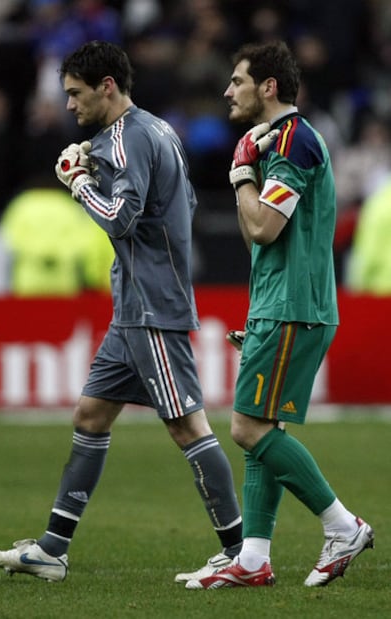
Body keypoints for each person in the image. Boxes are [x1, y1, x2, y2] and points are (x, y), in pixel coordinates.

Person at [0, 40, 242, 582]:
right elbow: (178, 203)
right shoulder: (157, 129)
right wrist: (92, 169)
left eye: (76, 94)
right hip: (134, 307)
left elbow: (122, 219)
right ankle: (53, 549)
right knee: (91, 416)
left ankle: (241, 553)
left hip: (152, 308)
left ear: (107, 87)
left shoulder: (125, 141)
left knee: (188, 426)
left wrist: (78, 182)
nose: (70, 106)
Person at [185, 40, 374, 590]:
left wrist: (241, 174)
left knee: (247, 427)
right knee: (262, 424)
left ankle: (342, 526)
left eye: (237, 81)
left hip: (293, 306)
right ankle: (252, 558)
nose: (227, 91)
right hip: (281, 303)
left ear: (268, 87)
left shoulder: (293, 141)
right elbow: (261, 235)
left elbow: (262, 228)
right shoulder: (282, 142)